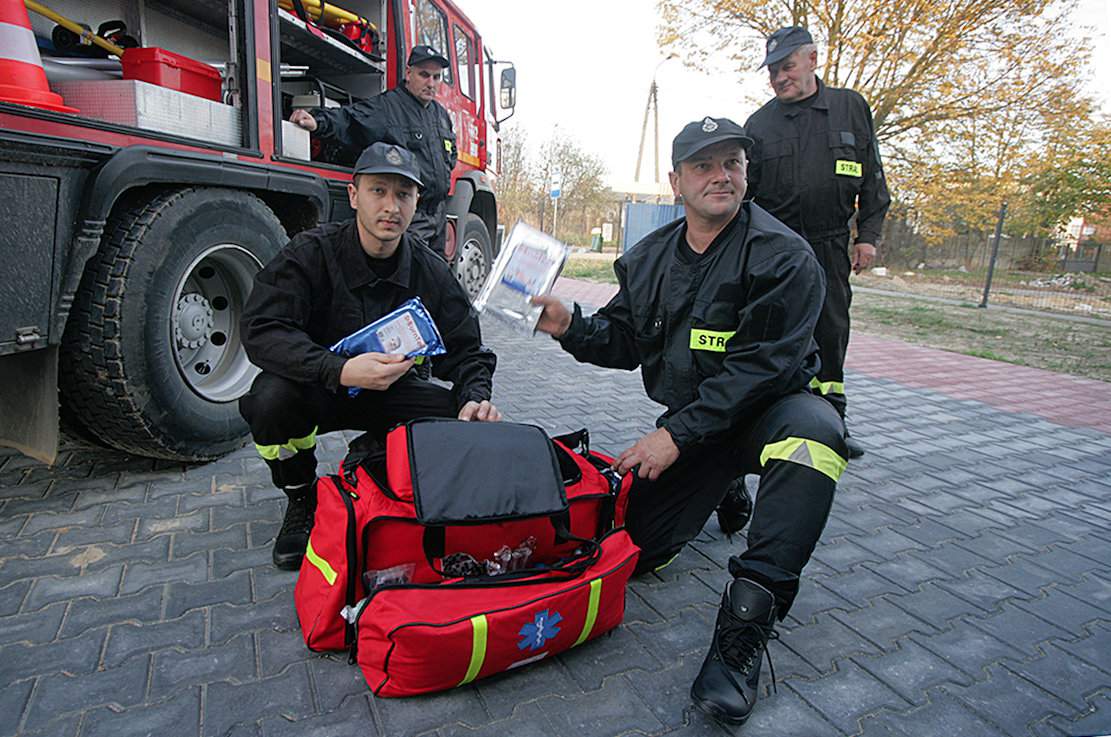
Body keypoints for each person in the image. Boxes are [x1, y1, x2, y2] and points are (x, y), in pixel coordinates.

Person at [532, 117, 847, 726]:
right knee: (641, 552)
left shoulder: (783, 255)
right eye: (704, 166)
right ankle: (723, 484)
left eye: (732, 162)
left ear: (746, 174)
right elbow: (624, 339)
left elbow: (760, 370)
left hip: (770, 412)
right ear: (677, 182)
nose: (721, 175)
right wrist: (570, 324)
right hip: (697, 427)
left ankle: (744, 631)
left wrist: (673, 436)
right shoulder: (649, 258)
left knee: (815, 438)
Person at [239, 142, 499, 570]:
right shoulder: (311, 253)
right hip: (321, 386)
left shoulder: (429, 269)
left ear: (417, 203)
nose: (391, 206)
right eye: (378, 191)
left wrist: (475, 394)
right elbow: (262, 330)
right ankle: (301, 497)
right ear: (354, 195)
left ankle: (378, 460)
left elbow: (468, 348)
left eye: (403, 194)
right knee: (268, 400)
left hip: (392, 393)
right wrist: (337, 369)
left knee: (460, 417)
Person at [743, 26, 891, 460]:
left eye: (787, 66)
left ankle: (833, 425)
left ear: (811, 59)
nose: (779, 78)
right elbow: (745, 197)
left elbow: (874, 179)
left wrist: (868, 237)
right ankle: (771, 421)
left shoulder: (850, 108)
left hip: (829, 247)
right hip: (777, 250)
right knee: (774, 334)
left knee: (830, 333)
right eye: (772, 72)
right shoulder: (759, 124)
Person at [289, 45, 457, 257]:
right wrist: (317, 121)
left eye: (436, 77)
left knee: (435, 278)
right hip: (410, 216)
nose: (431, 83)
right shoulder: (387, 107)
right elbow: (350, 119)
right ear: (408, 73)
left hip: (438, 216)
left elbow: (450, 154)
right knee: (406, 276)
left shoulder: (441, 115)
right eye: (424, 75)